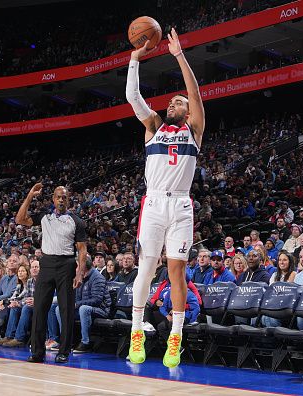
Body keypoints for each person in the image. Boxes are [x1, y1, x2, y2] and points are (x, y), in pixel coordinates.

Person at [125, 28, 205, 368]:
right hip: (154, 203)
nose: (173, 102)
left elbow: (195, 94)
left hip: (182, 205)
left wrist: (179, 56)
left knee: (177, 271)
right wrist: (133, 60)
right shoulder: (154, 126)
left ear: (187, 112)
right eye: (172, 100)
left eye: (179, 102)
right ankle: (136, 331)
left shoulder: (194, 129)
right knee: (146, 267)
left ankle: (176, 337)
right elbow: (133, 97)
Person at [16, 184, 87, 364]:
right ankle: (37, 352)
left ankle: (63, 351)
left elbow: (82, 249)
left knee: (66, 310)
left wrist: (79, 274)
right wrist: (30, 195)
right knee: (39, 309)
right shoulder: (44, 217)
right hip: (46, 264)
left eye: (64, 197)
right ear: (53, 199)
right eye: (58, 197)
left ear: (68, 200)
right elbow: (20, 219)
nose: (61, 200)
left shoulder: (76, 221)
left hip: (67, 265)